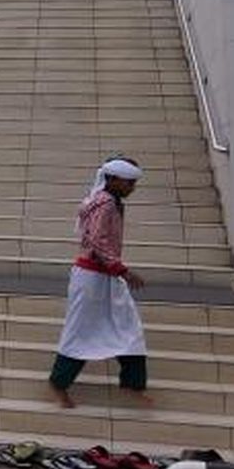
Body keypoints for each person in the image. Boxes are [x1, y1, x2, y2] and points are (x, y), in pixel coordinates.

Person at [49, 157, 151, 410]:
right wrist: (123, 271)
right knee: (80, 331)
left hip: (105, 276)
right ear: (114, 180)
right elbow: (96, 241)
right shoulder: (104, 204)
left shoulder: (110, 201)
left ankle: (132, 384)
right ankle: (58, 384)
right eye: (129, 182)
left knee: (129, 328)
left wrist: (117, 271)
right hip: (93, 277)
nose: (132, 188)